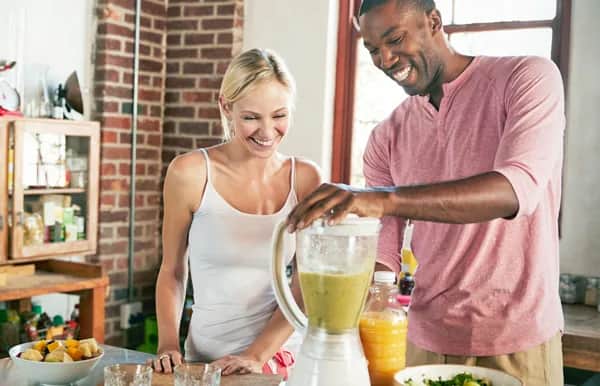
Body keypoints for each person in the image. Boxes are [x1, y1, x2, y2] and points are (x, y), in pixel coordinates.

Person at [286, 0, 565, 384]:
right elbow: (384, 255)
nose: (384, 59)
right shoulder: (386, 137)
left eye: (395, 39)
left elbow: (515, 189)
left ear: (434, 21)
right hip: (420, 341)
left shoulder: (527, 78)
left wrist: (382, 198)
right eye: (372, 50)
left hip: (516, 339)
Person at [151, 48, 321, 378]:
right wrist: (168, 344)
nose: (268, 131)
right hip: (205, 359)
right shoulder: (190, 173)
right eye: (251, 117)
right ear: (226, 107)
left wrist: (257, 355)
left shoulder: (305, 178)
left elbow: (308, 281)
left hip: (280, 356)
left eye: (279, 115)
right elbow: (172, 270)